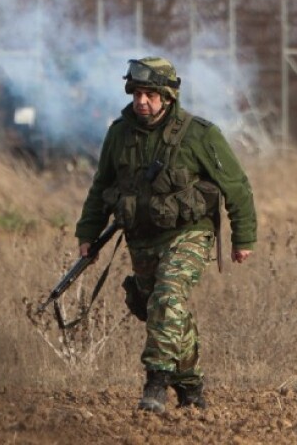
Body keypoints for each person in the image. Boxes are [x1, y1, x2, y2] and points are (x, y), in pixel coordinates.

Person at [74, 56, 257, 413]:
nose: (142, 101)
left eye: (151, 95)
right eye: (137, 94)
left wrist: (243, 238)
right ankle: (190, 388)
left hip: (188, 233)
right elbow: (101, 188)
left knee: (167, 299)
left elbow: (236, 186)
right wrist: (88, 233)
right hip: (141, 238)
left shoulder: (200, 135)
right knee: (158, 309)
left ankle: (155, 384)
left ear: (168, 97)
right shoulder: (119, 134)